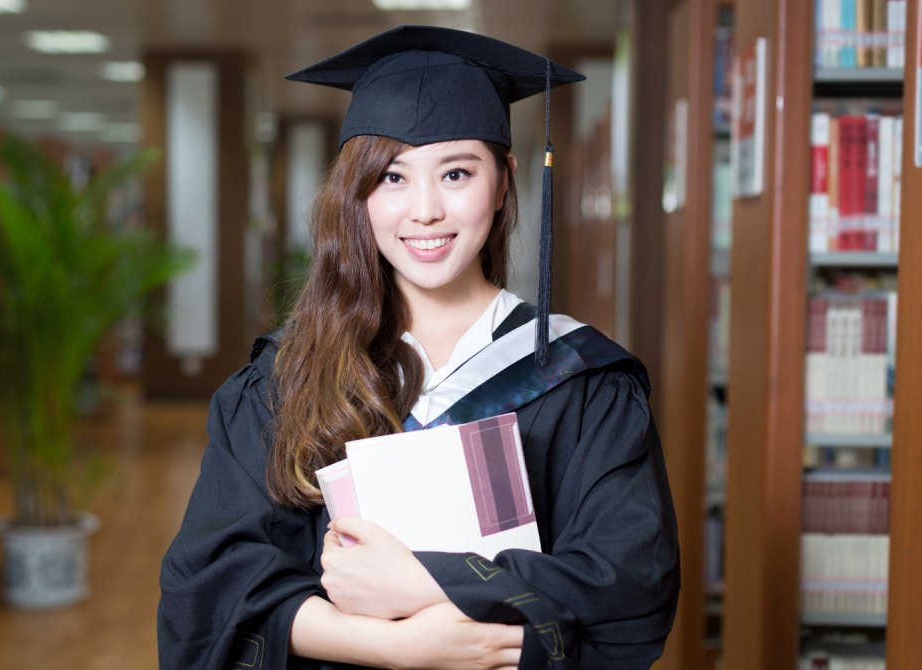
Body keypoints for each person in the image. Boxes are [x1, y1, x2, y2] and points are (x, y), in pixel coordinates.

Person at [158, 25, 679, 669]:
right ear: (358, 193)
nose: (425, 210)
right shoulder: (287, 375)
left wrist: (422, 583)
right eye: (393, 176)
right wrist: (400, 648)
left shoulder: (582, 379)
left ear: (503, 181)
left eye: (456, 172)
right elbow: (209, 585)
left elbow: (631, 585)